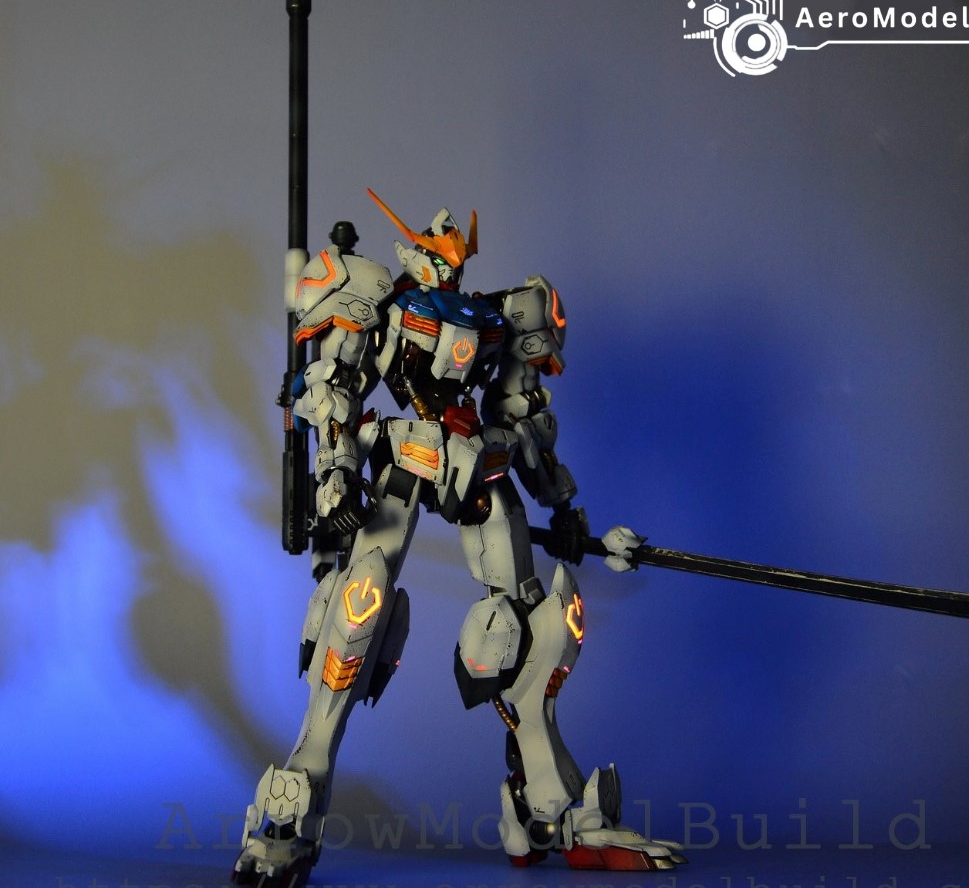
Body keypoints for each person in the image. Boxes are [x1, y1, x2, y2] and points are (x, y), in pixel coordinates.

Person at [232, 191, 685, 885]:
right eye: (435, 248)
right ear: (412, 248)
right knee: (358, 610)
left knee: (533, 625)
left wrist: (563, 505)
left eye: (456, 252)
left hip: (479, 468)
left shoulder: (501, 317)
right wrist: (337, 479)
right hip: (403, 463)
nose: (447, 258)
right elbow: (333, 390)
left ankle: (545, 809)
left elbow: (520, 416)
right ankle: (294, 807)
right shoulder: (379, 299)